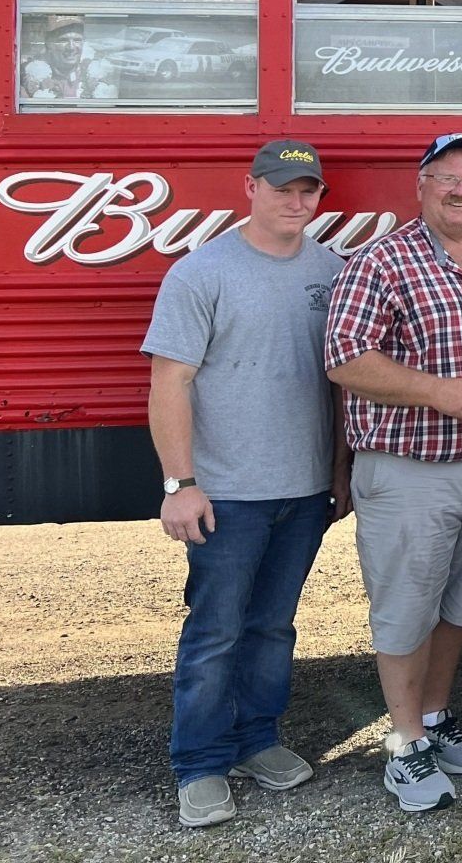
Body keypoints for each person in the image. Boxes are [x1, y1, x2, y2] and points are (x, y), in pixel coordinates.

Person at [325, 132, 462, 812]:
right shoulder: (381, 261)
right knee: (405, 610)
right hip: (410, 469)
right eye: (447, 178)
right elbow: (344, 359)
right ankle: (403, 745)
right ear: (421, 185)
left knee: (458, 607)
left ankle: (436, 716)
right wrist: (435, 390)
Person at [142, 140, 345, 829]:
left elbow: (345, 380)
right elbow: (169, 381)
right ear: (251, 188)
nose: (296, 201)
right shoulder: (203, 272)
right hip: (226, 493)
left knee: (273, 627)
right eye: (283, 187)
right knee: (216, 630)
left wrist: (339, 470)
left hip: (305, 488)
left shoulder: (332, 270)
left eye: (308, 190)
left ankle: (258, 740)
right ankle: (198, 764)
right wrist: (181, 483)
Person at [21, 13, 117, 100]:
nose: (71, 47)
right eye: (63, 40)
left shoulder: (101, 76)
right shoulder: (30, 78)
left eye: (77, 40)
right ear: (49, 43)